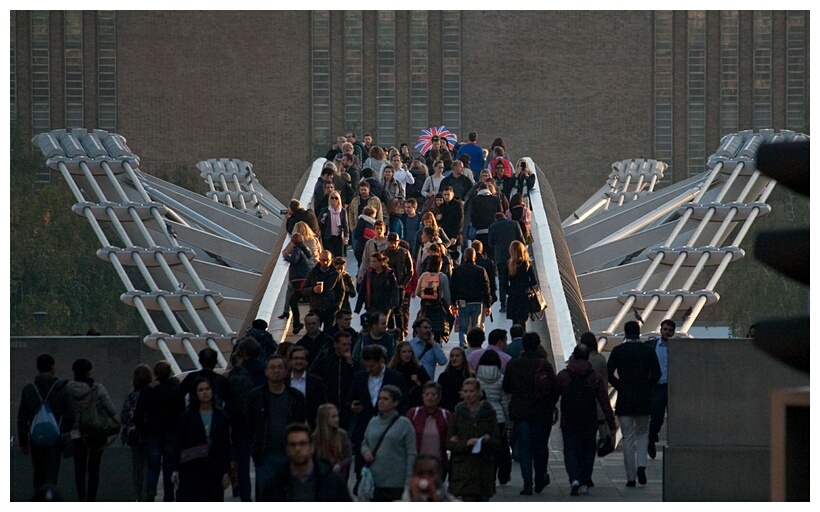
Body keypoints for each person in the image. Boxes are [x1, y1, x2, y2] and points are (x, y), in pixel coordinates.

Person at [346, 344, 409, 493]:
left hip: (389, 431)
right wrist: (353, 406)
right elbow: (348, 400)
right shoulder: (360, 377)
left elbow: (404, 403)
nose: (369, 370)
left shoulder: (395, 377)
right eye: (366, 366)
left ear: (382, 361)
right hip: (364, 431)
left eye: (372, 366)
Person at [557, 344, 617, 496]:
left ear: (574, 356)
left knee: (570, 450)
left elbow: (553, 396)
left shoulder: (564, 375)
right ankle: (584, 482)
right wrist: (611, 423)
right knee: (588, 451)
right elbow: (604, 401)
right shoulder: (595, 377)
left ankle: (574, 479)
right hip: (590, 420)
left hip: (568, 420)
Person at [607, 320, 662, 487]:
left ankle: (630, 477)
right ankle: (641, 465)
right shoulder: (648, 350)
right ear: (639, 333)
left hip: (625, 399)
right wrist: (646, 386)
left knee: (628, 437)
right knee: (643, 434)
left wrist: (620, 386)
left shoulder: (618, 351)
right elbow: (657, 374)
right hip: (643, 398)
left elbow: (609, 374)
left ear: (625, 333)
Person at [503, 332, 558, 495]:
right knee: (541, 446)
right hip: (542, 413)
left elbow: (507, 387)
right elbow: (555, 388)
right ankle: (540, 476)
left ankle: (528, 482)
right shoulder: (544, 365)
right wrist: (550, 405)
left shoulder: (514, 364)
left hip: (521, 412)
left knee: (525, 448)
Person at [248, 355, 307, 498]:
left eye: (280, 367)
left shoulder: (296, 397)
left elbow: (301, 423)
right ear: (266, 372)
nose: (276, 371)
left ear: (286, 371)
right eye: (272, 367)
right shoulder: (256, 396)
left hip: (291, 455)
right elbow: (249, 425)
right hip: (265, 456)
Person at [17, 353, 75, 491]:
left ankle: (39, 499)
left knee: (38, 472)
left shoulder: (29, 389)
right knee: (51, 472)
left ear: (38, 368)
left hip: (35, 436)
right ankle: (50, 498)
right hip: (55, 437)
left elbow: (22, 418)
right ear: (52, 366)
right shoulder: (60, 388)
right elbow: (70, 414)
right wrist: (62, 431)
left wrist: (23, 442)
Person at [67, 358, 118, 502]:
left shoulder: (68, 389)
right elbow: (112, 410)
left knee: (80, 467)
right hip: (95, 432)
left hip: (76, 433)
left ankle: (81, 497)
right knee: (94, 468)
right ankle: (91, 498)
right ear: (90, 372)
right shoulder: (98, 389)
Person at [173, 377, 231, 501]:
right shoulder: (188, 417)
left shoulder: (221, 416)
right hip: (192, 470)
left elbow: (226, 446)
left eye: (207, 389)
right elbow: (179, 443)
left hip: (215, 470)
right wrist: (176, 468)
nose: (204, 392)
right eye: (200, 390)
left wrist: (227, 471)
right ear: (195, 394)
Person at [134, 360, 185, 502]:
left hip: (153, 433)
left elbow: (138, 415)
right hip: (171, 433)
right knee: (169, 466)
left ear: (155, 373)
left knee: (153, 466)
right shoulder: (175, 390)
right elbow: (182, 412)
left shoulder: (148, 391)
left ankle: (151, 489)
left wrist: (144, 430)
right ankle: (169, 496)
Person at [260, 423, 352, 501]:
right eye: (292, 445)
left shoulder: (333, 482)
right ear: (286, 449)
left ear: (312, 447)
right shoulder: (275, 485)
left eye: (302, 444)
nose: (297, 449)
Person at [446, 378, 500, 501]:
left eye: (471, 391)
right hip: (462, 470)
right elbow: (449, 443)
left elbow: (497, 441)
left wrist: (487, 440)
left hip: (483, 469)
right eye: (465, 391)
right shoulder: (457, 415)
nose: (468, 395)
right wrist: (466, 443)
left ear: (479, 392)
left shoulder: (489, 414)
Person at [361, 385, 417, 502]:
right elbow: (364, 442)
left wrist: (409, 479)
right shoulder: (373, 422)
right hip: (374, 481)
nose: (381, 402)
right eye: (380, 398)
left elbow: (411, 453)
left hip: (396, 483)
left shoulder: (404, 424)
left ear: (395, 402)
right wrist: (366, 452)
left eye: (385, 399)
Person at [226, 339, 261, 501]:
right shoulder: (264, 369)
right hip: (260, 422)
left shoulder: (237, 372)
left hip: (240, 423)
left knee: (243, 465)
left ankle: (246, 498)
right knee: (262, 464)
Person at [474, 350, 512, 485]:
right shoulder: (501, 379)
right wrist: (508, 423)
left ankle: (487, 474)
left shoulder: (475, 380)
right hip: (499, 417)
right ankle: (503, 475)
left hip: (481, 417)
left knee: (484, 447)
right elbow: (505, 402)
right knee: (502, 447)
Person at [312, 331, 360, 430]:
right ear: (335, 345)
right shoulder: (325, 363)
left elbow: (359, 380)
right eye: (344, 344)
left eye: (349, 344)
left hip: (347, 409)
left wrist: (351, 364)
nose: (347, 347)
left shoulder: (354, 364)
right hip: (329, 406)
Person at [120, 364, 153, 501]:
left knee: (137, 468)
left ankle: (139, 496)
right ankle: (150, 493)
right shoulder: (153, 394)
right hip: (151, 434)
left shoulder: (132, 396)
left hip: (134, 436)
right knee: (151, 466)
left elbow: (123, 417)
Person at [406, 382, 451, 480]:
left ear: (439, 398)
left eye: (433, 395)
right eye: (426, 394)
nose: (429, 398)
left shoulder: (446, 415)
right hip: (417, 464)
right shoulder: (413, 413)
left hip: (438, 466)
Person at [450, 247, 492, 347]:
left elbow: (453, 288)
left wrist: (454, 303)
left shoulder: (457, 271)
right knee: (475, 326)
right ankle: (475, 344)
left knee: (463, 326)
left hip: (463, 301)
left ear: (464, 257)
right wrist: (488, 304)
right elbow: (486, 288)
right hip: (477, 301)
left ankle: (463, 344)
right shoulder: (481, 270)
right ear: (474, 257)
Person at [579, 331, 610, 459]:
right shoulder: (600, 359)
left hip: (580, 404)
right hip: (596, 404)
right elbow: (604, 383)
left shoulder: (576, 360)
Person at [646, 319, 674, 459]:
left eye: (670, 330)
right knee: (656, 417)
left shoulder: (676, 347)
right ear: (661, 330)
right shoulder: (651, 346)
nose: (667, 332)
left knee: (674, 419)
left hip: (673, 387)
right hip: (657, 387)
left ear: (673, 332)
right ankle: (651, 439)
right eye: (665, 329)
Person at [488, 212, 525, 311]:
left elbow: (491, 243)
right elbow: (521, 240)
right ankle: (515, 302)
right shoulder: (514, 224)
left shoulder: (492, 227)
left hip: (500, 258)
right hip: (514, 257)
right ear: (505, 217)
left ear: (496, 219)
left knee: (502, 281)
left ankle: (503, 305)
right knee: (515, 280)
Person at [286, 345, 328, 430]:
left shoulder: (316, 382)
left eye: (302, 359)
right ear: (290, 361)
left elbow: (322, 405)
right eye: (296, 358)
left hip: (310, 427)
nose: (299, 361)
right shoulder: (284, 381)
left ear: (306, 362)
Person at [382, 232, 414, 338]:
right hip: (388, 286)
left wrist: (404, 284)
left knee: (399, 310)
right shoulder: (384, 253)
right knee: (389, 310)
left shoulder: (404, 253)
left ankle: (400, 334)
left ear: (398, 242)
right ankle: (391, 332)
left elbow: (410, 271)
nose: (392, 245)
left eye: (394, 242)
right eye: (390, 242)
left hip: (400, 285)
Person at [281, 231, 313, 334]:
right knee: (296, 300)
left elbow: (294, 260)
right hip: (304, 279)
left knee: (293, 301)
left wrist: (286, 256)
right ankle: (296, 323)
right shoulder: (304, 249)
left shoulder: (297, 249)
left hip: (299, 280)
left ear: (293, 241)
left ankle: (297, 324)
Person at [304, 250, 345, 329]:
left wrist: (337, 306)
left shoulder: (336, 274)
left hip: (330, 308)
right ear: (319, 259)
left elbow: (341, 290)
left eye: (327, 260)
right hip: (316, 307)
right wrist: (313, 289)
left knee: (329, 333)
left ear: (331, 260)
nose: (325, 263)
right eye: (323, 260)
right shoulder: (312, 273)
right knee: (314, 331)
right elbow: (304, 290)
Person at [312, 403, 353, 480]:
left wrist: (340, 465)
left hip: (339, 476)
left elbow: (349, 457)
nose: (337, 419)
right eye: (333, 417)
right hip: (322, 476)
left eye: (337, 416)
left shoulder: (342, 435)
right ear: (324, 419)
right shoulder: (315, 438)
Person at [505, 240, 539, 330]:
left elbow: (504, 282)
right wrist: (525, 285)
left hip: (513, 295)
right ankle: (523, 339)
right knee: (523, 321)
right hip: (524, 295)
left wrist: (509, 290)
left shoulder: (509, 264)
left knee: (515, 321)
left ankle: (515, 339)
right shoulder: (527, 264)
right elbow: (534, 281)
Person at [388, 340, 432, 408]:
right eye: (404, 352)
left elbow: (429, 385)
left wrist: (418, 382)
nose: (407, 354)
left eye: (409, 351)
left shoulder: (418, 369)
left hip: (415, 404)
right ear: (398, 353)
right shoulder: (393, 370)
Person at [408, 317, 448, 382]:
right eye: (425, 328)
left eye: (430, 328)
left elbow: (443, 361)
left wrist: (434, 344)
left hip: (428, 383)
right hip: (414, 382)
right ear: (418, 329)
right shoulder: (410, 345)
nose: (428, 331)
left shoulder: (434, 346)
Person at [467, 182, 503, 252]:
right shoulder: (495, 199)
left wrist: (476, 225)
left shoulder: (475, 200)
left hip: (479, 231)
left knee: (480, 252)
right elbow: (500, 213)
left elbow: (472, 216)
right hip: (493, 230)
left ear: (479, 190)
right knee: (492, 253)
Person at [437, 346, 473, 413]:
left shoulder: (470, 376)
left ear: (463, 358)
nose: (454, 358)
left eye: (457, 356)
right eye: (452, 356)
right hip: (448, 412)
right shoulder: (444, 377)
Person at [318, 191, 349, 258]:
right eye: (332, 198)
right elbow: (319, 222)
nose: (334, 200)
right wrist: (323, 218)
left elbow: (345, 225)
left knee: (339, 257)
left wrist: (346, 237)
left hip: (339, 237)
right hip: (328, 237)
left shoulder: (342, 211)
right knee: (329, 256)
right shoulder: (325, 210)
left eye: (336, 198)